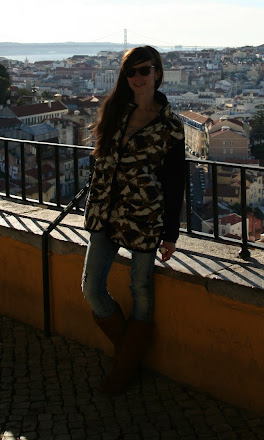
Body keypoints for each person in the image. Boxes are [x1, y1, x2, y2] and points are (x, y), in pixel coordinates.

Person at [81, 45, 185, 395]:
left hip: (144, 216)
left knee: (141, 288)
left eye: (144, 70)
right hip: (105, 211)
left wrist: (171, 234)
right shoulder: (115, 110)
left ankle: (124, 368)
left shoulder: (171, 126)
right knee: (91, 288)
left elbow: (175, 181)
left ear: (157, 72)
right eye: (131, 72)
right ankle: (130, 356)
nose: (137, 77)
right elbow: (100, 157)